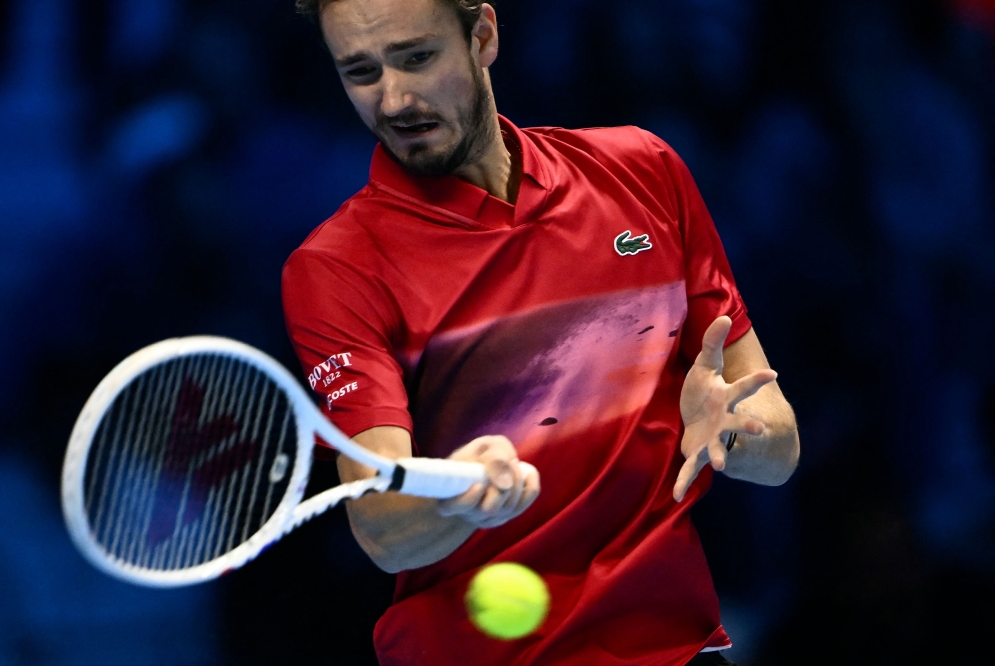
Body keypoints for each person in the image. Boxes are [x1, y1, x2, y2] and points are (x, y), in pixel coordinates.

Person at [281, 1, 800, 664]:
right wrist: (457, 492)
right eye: (360, 72)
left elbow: (778, 445)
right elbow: (382, 526)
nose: (394, 98)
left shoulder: (643, 171)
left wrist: (733, 430)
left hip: (678, 649)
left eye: (417, 57)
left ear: (483, 36)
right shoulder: (338, 268)